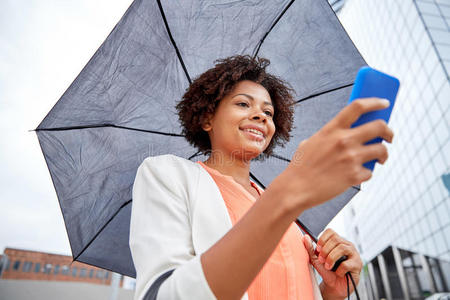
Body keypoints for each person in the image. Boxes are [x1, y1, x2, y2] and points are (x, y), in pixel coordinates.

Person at [129, 55, 393, 300]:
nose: (260, 116)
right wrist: (284, 197)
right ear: (207, 118)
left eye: (269, 112)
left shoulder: (288, 215)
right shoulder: (168, 175)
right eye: (243, 104)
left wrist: (331, 291)